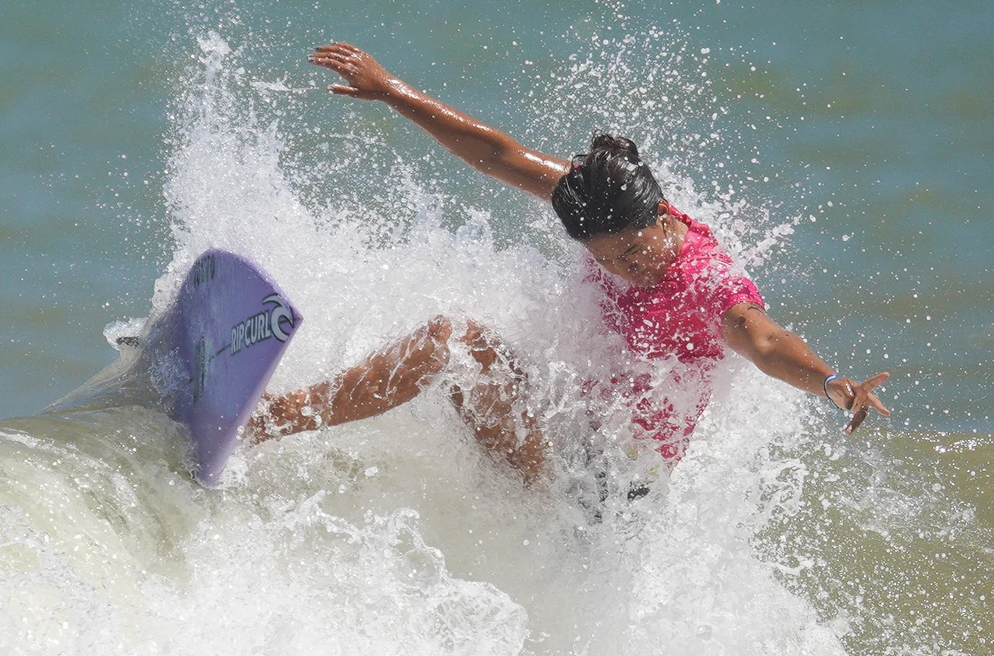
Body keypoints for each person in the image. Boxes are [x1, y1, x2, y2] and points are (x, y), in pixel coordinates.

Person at [245, 42, 890, 483]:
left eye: (636, 252)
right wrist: (392, 92)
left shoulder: (705, 282)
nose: (628, 268)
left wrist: (832, 384)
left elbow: (765, 339)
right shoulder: (596, 202)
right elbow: (498, 155)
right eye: (609, 261)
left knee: (453, 345)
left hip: (604, 494)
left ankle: (267, 420)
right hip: (566, 438)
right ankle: (271, 413)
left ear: (665, 217)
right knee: (452, 345)